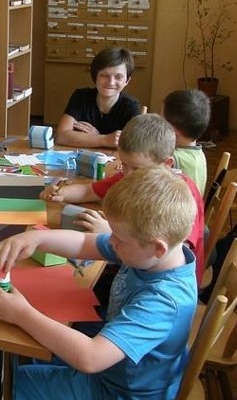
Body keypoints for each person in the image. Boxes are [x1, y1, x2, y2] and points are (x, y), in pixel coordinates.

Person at [0, 165, 199, 400]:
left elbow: (90, 358)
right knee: (41, 351)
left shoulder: (164, 301)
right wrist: (35, 239)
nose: (111, 241)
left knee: (19, 385)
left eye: (119, 239)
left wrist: (22, 313)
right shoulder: (149, 255)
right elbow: (86, 243)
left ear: (157, 247)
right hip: (121, 379)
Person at [43, 114, 206, 285]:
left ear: (167, 164)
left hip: (158, 284)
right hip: (134, 269)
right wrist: (62, 192)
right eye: (124, 164)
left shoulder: (180, 197)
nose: (127, 174)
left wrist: (110, 233)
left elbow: (173, 252)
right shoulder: (135, 177)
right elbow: (88, 191)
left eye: (136, 168)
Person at [55, 47, 141, 148]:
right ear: (95, 76)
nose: (111, 82)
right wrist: (105, 139)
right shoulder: (81, 96)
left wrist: (96, 137)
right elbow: (61, 136)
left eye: (118, 77)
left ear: (127, 80)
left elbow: (133, 147)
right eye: (104, 75)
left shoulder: (131, 106)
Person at [163, 89, 211, 195]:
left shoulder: (172, 159)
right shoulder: (198, 154)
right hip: (194, 209)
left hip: (176, 211)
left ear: (172, 130)